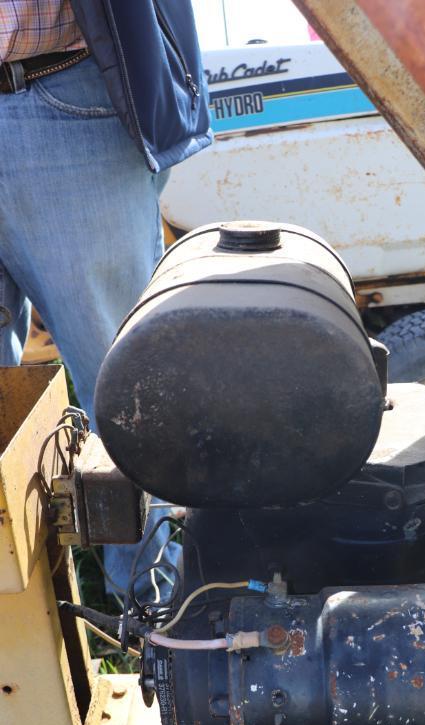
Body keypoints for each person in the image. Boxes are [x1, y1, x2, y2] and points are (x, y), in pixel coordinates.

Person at [0, 0, 211, 597]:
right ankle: (21, 659)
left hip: (63, 91)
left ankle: (169, 642)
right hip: (61, 99)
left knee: (131, 405)